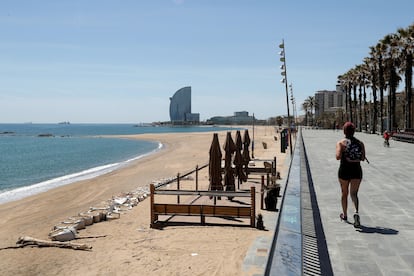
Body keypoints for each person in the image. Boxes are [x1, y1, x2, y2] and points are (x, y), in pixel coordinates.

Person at [336, 122, 366, 228]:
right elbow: (362, 158)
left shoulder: (341, 143)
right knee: (354, 194)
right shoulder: (360, 143)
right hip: (356, 171)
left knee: (344, 193)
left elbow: (338, 157)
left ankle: (344, 215)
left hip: (344, 170)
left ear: (344, 131)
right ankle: (356, 212)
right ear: (354, 131)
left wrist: (344, 152)